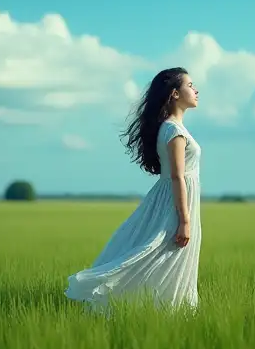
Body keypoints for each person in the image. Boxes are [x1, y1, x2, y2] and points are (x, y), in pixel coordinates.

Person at [65, 67, 202, 311]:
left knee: (161, 253)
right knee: (161, 252)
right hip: (175, 202)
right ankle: (160, 308)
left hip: (172, 199)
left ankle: (158, 308)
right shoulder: (174, 131)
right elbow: (177, 177)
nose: (195, 90)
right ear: (174, 94)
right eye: (190, 85)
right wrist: (184, 220)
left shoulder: (172, 128)